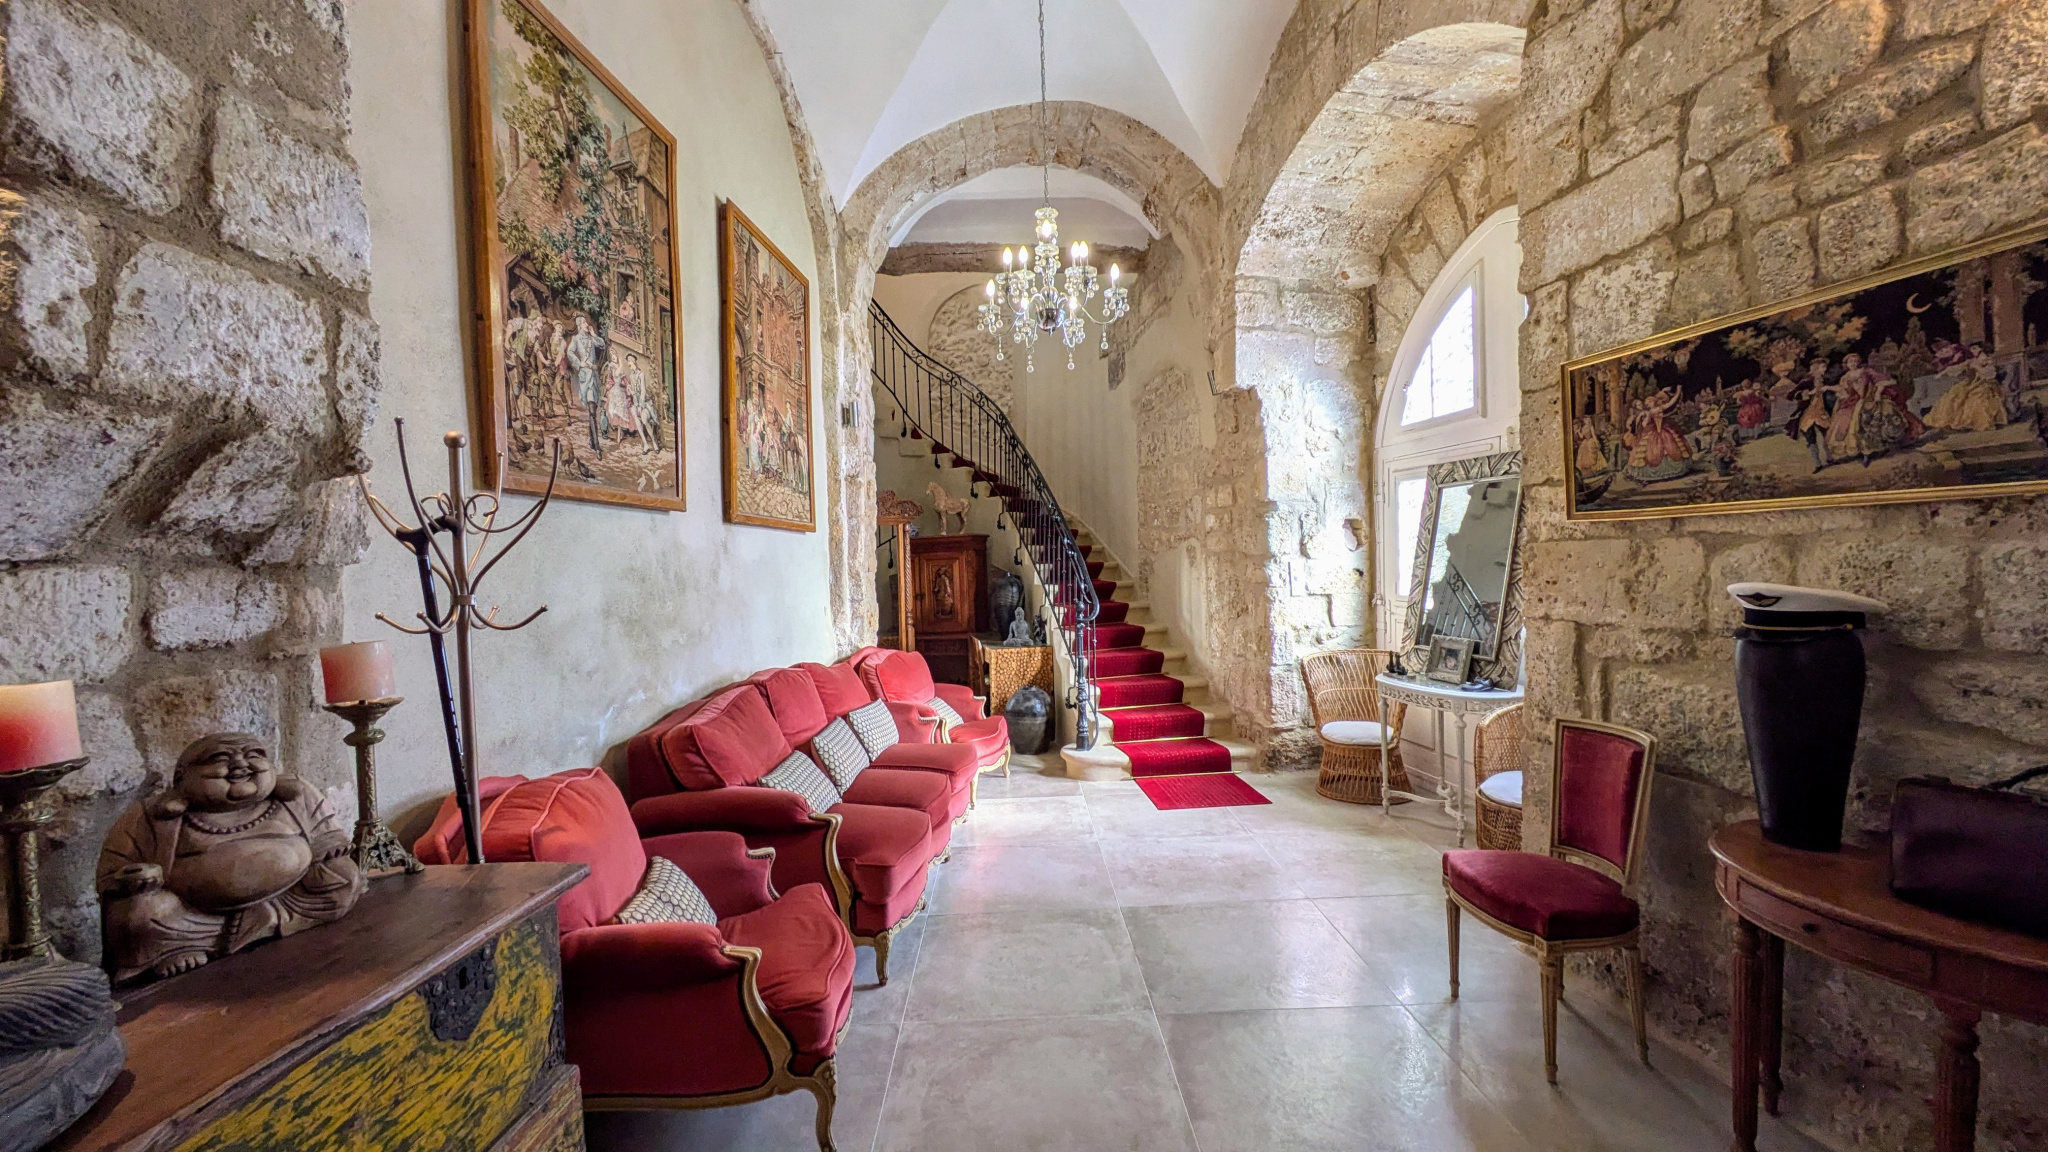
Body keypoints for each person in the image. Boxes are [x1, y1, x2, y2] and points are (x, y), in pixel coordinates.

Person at [568, 313, 607, 455]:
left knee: (593, 410)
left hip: (594, 377)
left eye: (587, 322)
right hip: (585, 377)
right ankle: (597, 445)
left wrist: (594, 333)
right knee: (591, 411)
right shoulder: (576, 339)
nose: (587, 324)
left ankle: (591, 439)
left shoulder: (591, 338)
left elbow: (602, 345)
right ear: (579, 325)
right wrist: (580, 363)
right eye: (584, 323)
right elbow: (569, 352)